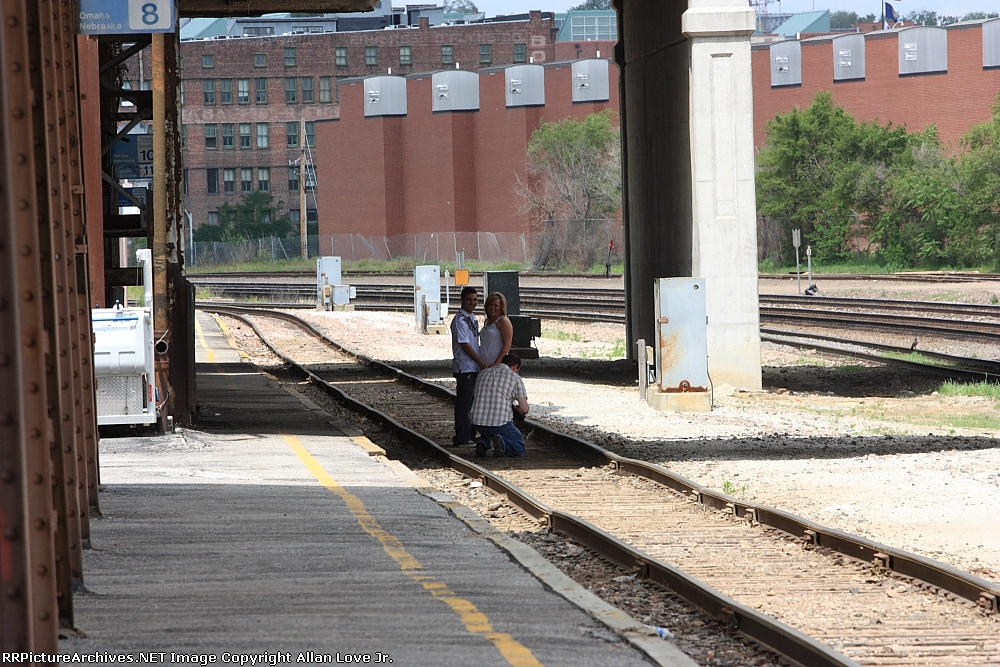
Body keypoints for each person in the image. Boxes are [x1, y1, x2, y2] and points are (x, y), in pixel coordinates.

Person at [470, 353, 529, 458]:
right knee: (519, 446)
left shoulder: (483, 373)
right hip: (500, 424)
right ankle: (503, 444)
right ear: (515, 367)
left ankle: (483, 442)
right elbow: (524, 409)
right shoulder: (515, 378)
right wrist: (517, 410)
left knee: (488, 429)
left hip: (477, 422)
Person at [451, 286, 488, 447]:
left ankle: (470, 434)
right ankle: (462, 436)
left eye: (475, 300)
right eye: (469, 300)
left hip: (473, 367)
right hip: (465, 366)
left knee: (472, 402)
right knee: (464, 403)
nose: (473, 303)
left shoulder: (473, 319)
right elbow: (464, 344)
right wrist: (480, 361)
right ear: (462, 300)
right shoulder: (459, 320)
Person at [479, 292, 513, 367]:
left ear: (501, 307)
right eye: (490, 305)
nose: (492, 308)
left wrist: (496, 363)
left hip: (495, 364)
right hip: (484, 364)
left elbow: (507, 345)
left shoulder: (503, 321)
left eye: (496, 305)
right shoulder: (487, 321)